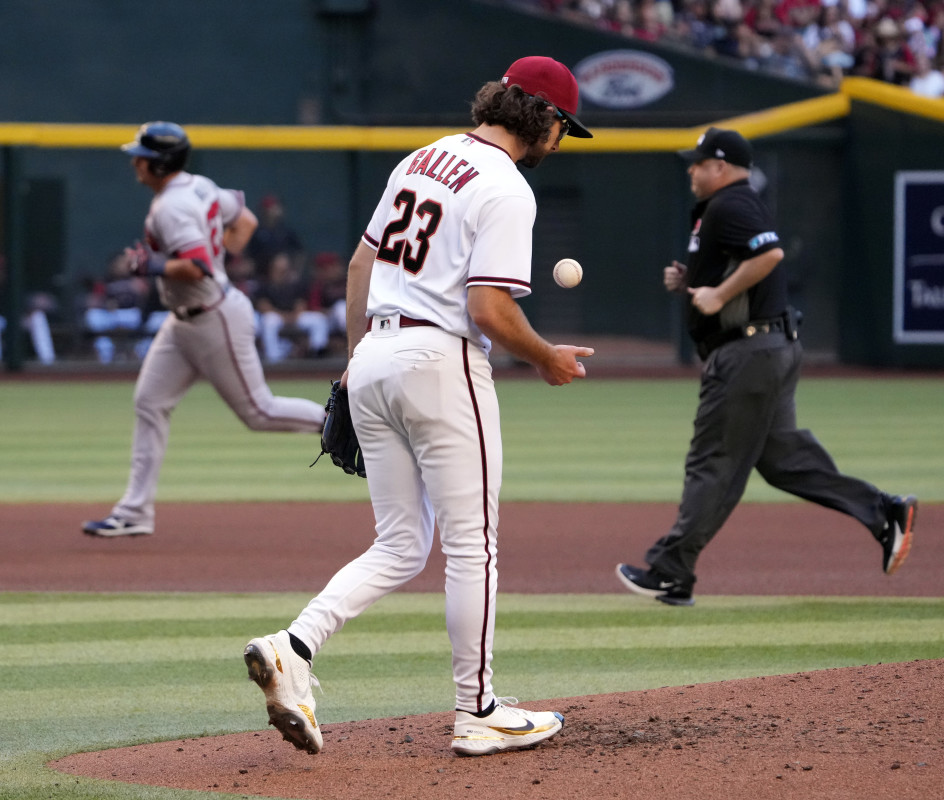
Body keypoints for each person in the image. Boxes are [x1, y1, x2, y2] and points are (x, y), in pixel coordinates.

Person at [243, 56, 595, 757]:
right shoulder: (507, 187)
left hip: (373, 354)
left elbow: (358, 266)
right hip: (440, 360)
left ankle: (294, 647)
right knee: (473, 544)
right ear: (544, 117)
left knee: (402, 542)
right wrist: (545, 356)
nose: (562, 139)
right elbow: (487, 308)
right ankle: (479, 710)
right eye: (564, 125)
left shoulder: (422, 159)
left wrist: (351, 366)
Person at [615, 127, 917, 607]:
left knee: (713, 461)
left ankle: (672, 572)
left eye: (697, 162)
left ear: (720, 166)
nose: (690, 169)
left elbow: (769, 254)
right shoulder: (723, 207)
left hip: (746, 354)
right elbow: (739, 266)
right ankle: (882, 512)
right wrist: (692, 282)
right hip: (766, 349)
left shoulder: (732, 203)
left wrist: (716, 293)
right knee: (783, 461)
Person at [82, 122, 326, 537]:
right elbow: (243, 221)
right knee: (149, 402)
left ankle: (347, 421)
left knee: (259, 412)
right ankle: (135, 512)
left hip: (213, 316)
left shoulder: (171, 207)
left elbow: (195, 264)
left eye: (140, 157)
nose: (134, 163)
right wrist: (220, 256)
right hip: (184, 322)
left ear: (158, 163)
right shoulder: (199, 185)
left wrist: (153, 265)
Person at [0, 253, 57, 366]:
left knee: (38, 316)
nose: (1, 272)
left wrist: (27, 311)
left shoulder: (16, 283)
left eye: (3, 269)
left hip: (12, 319)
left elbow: (25, 305)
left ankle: (48, 360)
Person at [254, 251, 331, 362]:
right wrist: (283, 316)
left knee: (318, 319)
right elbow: (264, 306)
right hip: (277, 317)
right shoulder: (265, 285)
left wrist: (294, 315)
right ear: (272, 269)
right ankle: (274, 358)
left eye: (285, 270)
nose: (283, 273)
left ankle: (316, 352)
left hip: (293, 317)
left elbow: (301, 303)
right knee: (269, 320)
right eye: (280, 270)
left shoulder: (295, 284)